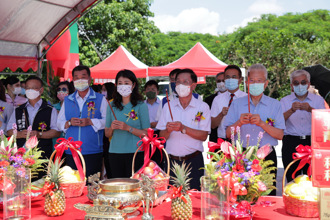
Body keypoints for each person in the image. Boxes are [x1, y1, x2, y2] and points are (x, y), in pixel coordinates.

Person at [224, 64, 285, 195]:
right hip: (241, 156)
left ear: (266, 83)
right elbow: (228, 133)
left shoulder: (275, 104)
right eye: (252, 81)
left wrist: (263, 124)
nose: (255, 84)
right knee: (241, 195)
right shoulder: (237, 103)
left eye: (259, 81)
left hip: (266, 156)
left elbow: (280, 135)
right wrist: (239, 122)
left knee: (267, 195)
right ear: (246, 82)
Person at [157, 68, 211, 191]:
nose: (181, 85)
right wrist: (168, 130)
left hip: (194, 161)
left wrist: (183, 128)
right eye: (178, 82)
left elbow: (203, 136)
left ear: (193, 86)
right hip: (172, 162)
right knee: (171, 199)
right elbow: (162, 136)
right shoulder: (168, 106)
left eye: (185, 82)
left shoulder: (202, 107)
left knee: (194, 198)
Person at [57, 65, 107, 179]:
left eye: (83, 77)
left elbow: (107, 122)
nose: (80, 80)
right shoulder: (68, 100)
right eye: (76, 78)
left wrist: (90, 122)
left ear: (89, 79)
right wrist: (69, 123)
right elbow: (59, 123)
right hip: (72, 151)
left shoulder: (100, 99)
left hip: (93, 150)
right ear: (73, 80)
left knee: (92, 185)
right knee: (73, 183)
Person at [7, 76, 61, 180]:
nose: (30, 91)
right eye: (27, 88)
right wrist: (18, 134)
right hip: (21, 157)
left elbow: (57, 132)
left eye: (33, 88)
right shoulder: (18, 110)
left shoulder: (50, 110)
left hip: (43, 156)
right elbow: (9, 131)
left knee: (41, 185)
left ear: (41, 90)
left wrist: (39, 134)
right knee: (23, 184)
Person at [280, 69, 326, 182]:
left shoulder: (318, 100)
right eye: (296, 83)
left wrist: (311, 109)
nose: (300, 85)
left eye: (303, 82)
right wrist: (291, 110)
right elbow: (278, 121)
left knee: (311, 178)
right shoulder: (284, 101)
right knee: (291, 178)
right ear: (292, 86)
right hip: (290, 143)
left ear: (308, 84)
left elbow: (325, 120)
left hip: (312, 143)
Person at [105, 69, 150, 178]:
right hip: (115, 153)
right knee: (119, 186)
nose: (123, 86)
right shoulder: (111, 105)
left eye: (126, 83)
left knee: (135, 187)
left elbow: (147, 134)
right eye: (120, 83)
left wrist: (128, 128)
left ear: (133, 85)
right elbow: (107, 134)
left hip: (136, 153)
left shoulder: (141, 106)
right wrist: (111, 128)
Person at [211, 65, 247, 142]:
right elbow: (212, 125)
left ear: (240, 80)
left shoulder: (247, 99)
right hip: (223, 141)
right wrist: (221, 114)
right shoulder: (217, 99)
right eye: (228, 77)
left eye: (234, 77)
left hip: (242, 141)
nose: (230, 80)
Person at [204, 72, 226, 142]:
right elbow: (201, 117)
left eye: (223, 81)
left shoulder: (235, 97)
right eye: (219, 81)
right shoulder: (209, 100)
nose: (221, 83)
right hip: (215, 138)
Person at [101, 82, 115, 178]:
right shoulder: (105, 102)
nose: (103, 92)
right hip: (105, 136)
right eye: (102, 90)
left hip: (112, 139)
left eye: (104, 90)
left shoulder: (113, 103)